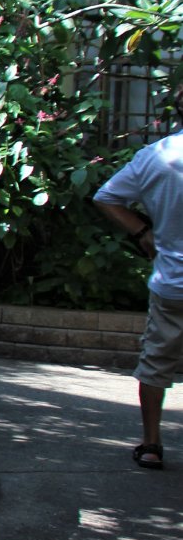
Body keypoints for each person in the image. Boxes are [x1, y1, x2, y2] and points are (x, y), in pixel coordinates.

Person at [94, 128, 183, 470]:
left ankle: (151, 444)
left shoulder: (156, 155)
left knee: (157, 361)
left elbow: (106, 195)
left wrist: (142, 231)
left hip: (172, 282)